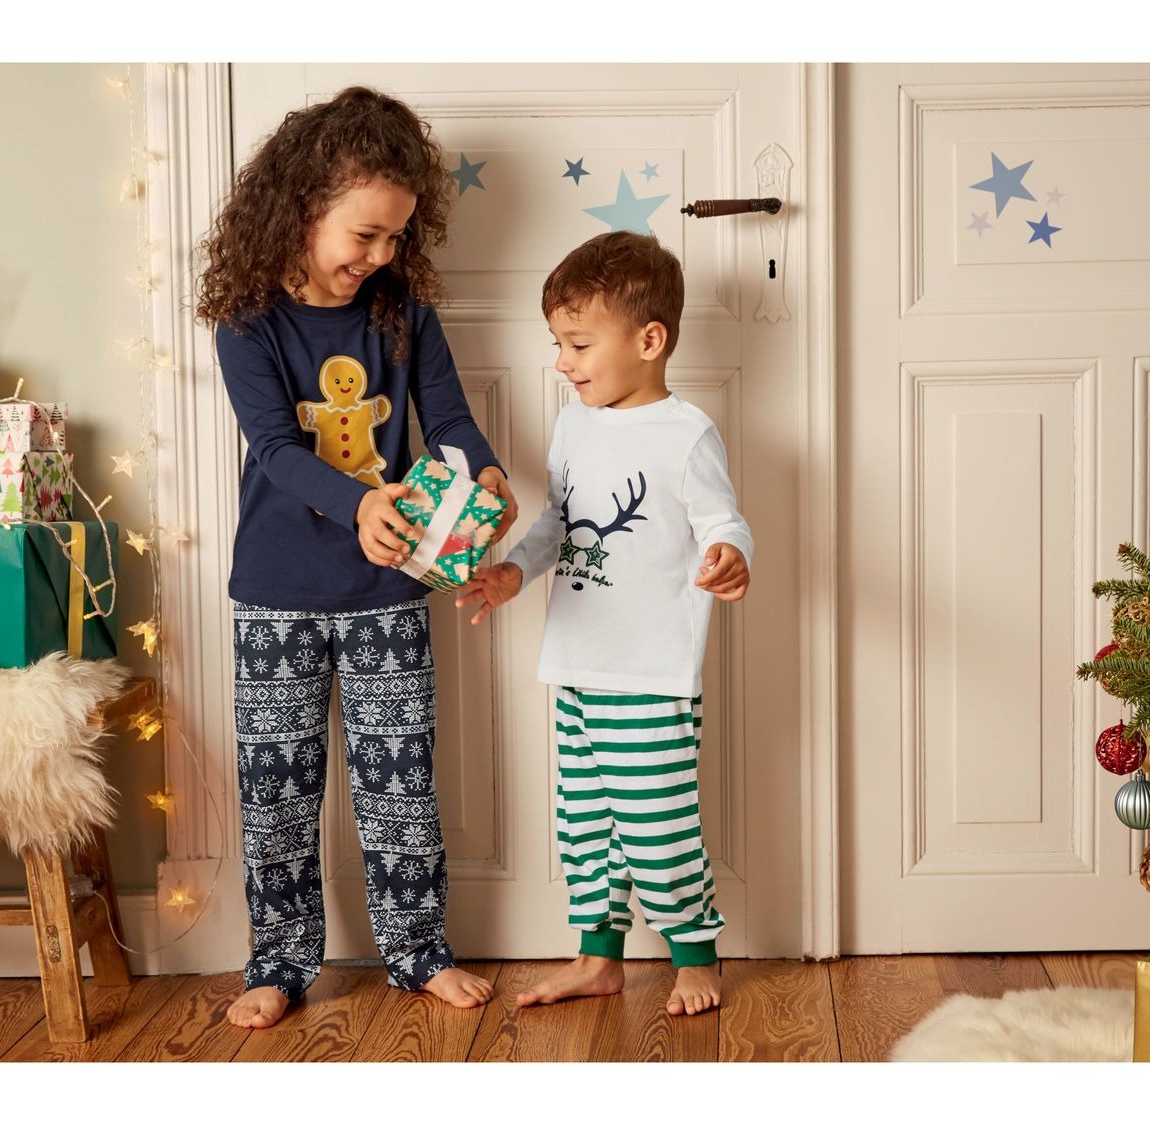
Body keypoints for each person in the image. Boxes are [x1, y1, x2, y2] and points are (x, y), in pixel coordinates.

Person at [195, 86, 516, 1028]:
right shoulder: (247, 318)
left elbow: (446, 419)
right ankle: (279, 960)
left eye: (395, 238)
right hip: (276, 592)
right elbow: (275, 447)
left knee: (400, 784)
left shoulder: (401, 309)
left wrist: (486, 473)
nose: (379, 256)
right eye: (365, 234)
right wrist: (361, 501)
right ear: (302, 207)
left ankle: (418, 950)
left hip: (389, 588)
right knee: (277, 791)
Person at [456, 230, 751, 1016]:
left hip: (650, 673)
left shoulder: (686, 433)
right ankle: (598, 958)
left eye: (579, 344)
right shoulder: (573, 426)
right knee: (587, 828)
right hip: (577, 664)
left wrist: (730, 555)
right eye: (558, 343)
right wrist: (516, 572)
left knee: (657, 826)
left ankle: (696, 954)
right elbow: (558, 521)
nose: (563, 362)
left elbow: (724, 520)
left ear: (649, 341)